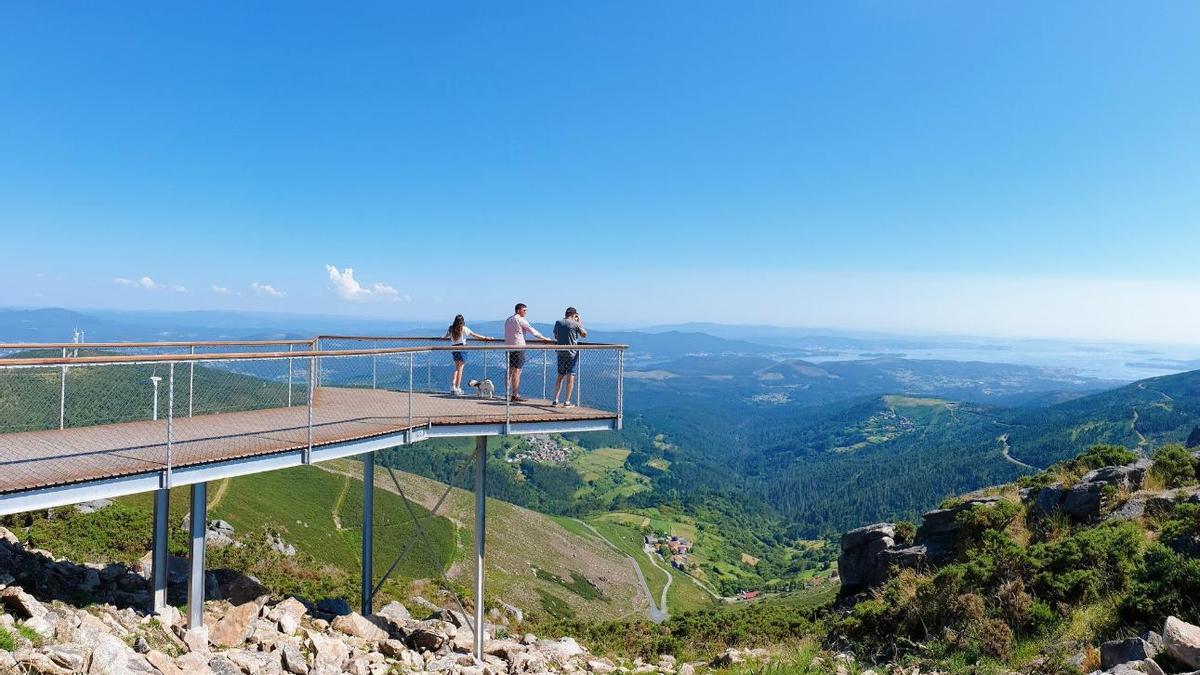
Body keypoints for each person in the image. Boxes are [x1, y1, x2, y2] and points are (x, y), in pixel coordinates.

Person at [503, 303, 551, 402]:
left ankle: (506, 393)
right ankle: (515, 395)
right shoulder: (520, 320)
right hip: (518, 347)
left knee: (509, 371)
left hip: (508, 347)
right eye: (524, 310)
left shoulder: (508, 320)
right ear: (518, 310)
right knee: (517, 371)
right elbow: (532, 331)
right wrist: (545, 338)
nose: (526, 312)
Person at [443, 314, 492, 396]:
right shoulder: (463, 329)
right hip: (462, 348)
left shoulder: (451, 328)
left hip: (454, 349)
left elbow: (445, 336)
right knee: (460, 370)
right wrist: (485, 338)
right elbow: (474, 335)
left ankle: (453, 385)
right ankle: (457, 387)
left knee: (456, 368)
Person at [552, 307, 587, 407]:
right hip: (571, 353)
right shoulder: (575, 324)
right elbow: (584, 334)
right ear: (574, 315)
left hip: (560, 352)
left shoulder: (558, 322)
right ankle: (567, 401)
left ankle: (555, 399)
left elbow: (555, 335)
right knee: (570, 376)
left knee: (560, 375)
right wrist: (579, 322)